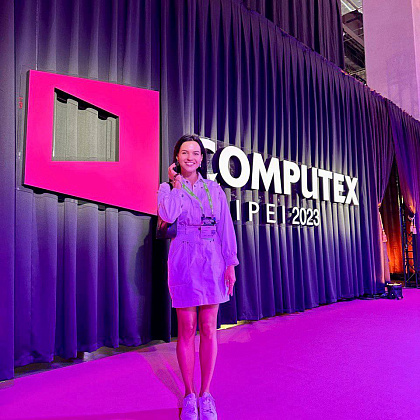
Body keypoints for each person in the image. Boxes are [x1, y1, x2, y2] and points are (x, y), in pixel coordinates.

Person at [157, 134, 239, 420]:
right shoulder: (166, 189)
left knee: (208, 327)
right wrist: (176, 184)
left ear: (202, 159)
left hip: (212, 258)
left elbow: (225, 227)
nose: (190, 157)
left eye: (195, 153)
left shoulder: (214, 189)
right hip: (183, 258)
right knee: (186, 328)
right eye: (184, 153)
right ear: (176, 158)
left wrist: (230, 263)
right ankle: (189, 395)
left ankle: (206, 394)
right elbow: (168, 214)